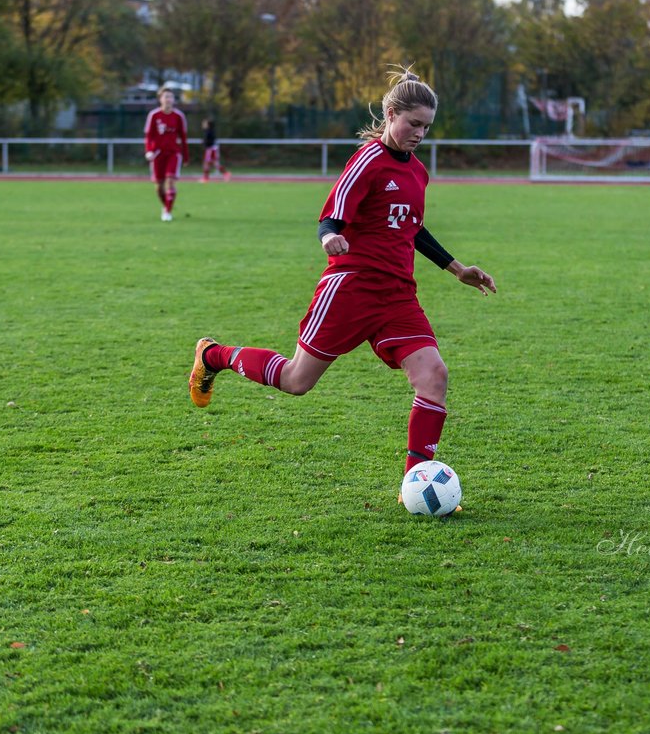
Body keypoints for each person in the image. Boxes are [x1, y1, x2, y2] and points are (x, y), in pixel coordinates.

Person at [187, 68, 496, 508]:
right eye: (413, 123)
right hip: (349, 288)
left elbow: (412, 228)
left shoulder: (419, 172)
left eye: (427, 126)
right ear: (391, 115)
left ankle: (415, 485)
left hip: (396, 296)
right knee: (296, 382)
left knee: (434, 376)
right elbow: (331, 214)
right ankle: (212, 354)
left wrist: (457, 268)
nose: (420, 133)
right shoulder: (368, 160)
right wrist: (330, 236)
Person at [144, 88, 189, 221]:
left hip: (174, 153)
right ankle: (167, 206)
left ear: (174, 100)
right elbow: (148, 136)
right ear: (160, 99)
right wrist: (148, 150)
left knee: (170, 180)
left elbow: (183, 137)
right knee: (159, 186)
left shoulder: (178, 116)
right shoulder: (154, 115)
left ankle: (167, 211)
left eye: (171, 97)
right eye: (166, 97)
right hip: (158, 154)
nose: (168, 99)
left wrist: (186, 156)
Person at [200, 118, 231, 183]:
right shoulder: (208, 131)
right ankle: (225, 174)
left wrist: (205, 142)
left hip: (211, 149)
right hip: (211, 149)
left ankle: (206, 178)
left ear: (208, 124)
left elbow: (210, 141)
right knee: (211, 164)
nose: (203, 124)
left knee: (209, 164)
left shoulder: (209, 132)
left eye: (204, 123)